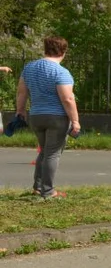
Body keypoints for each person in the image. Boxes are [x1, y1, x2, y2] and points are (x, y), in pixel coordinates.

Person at [15, 37, 80, 199]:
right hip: (56, 117)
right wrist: (76, 121)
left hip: (36, 115)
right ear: (63, 52)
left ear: (45, 49)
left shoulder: (29, 68)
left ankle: (38, 187)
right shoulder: (61, 72)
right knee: (52, 154)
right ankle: (49, 191)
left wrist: (20, 110)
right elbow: (67, 99)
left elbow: (22, 92)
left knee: (44, 151)